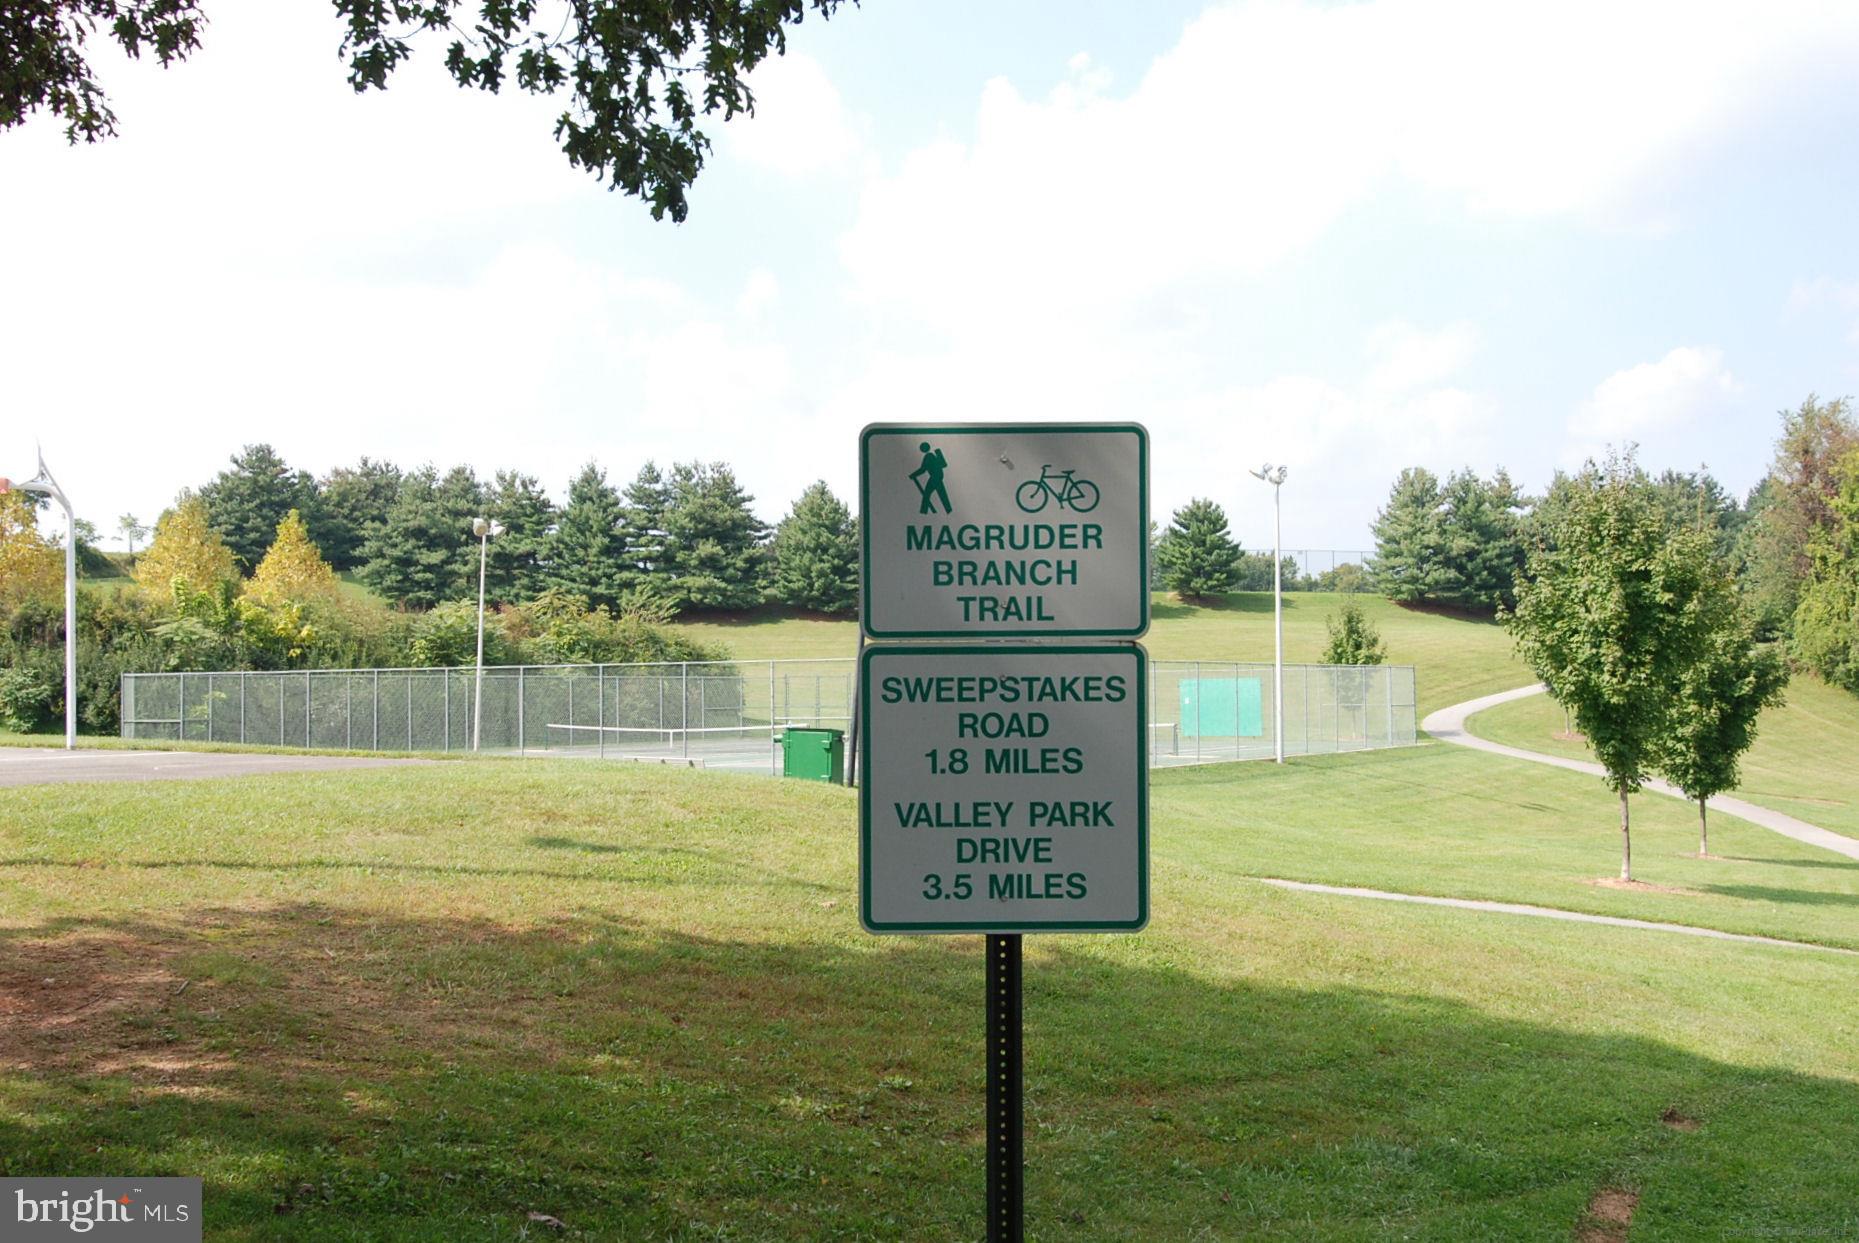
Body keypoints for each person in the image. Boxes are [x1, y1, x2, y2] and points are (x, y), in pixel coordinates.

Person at [910, 442, 951, 514]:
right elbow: (924, 469)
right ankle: (949, 510)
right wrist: (913, 475)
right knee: (942, 494)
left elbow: (923, 469)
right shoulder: (932, 455)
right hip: (939, 477)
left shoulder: (928, 456)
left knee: (927, 494)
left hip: (935, 477)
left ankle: (923, 512)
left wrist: (913, 475)